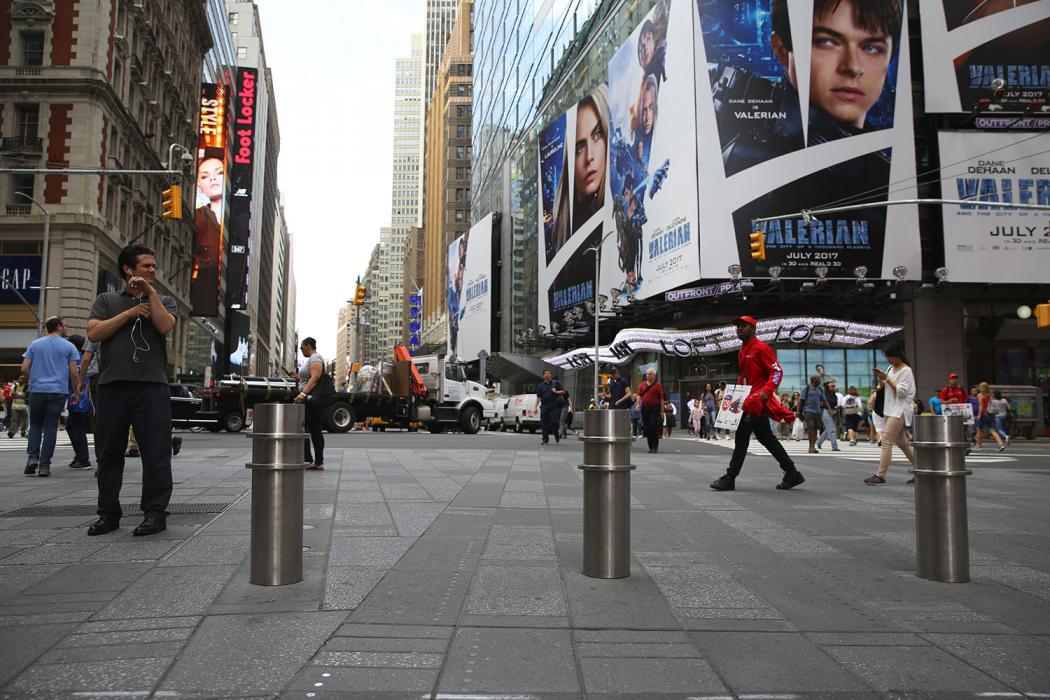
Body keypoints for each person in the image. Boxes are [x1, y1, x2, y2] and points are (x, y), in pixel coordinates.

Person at [86, 245, 177, 536]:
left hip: (152, 387)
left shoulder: (162, 300)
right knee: (109, 453)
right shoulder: (106, 300)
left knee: (156, 454)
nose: (152, 270)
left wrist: (150, 294)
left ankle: (154, 513)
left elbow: (165, 326)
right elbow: (94, 333)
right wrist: (129, 314)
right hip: (112, 387)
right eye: (146, 266)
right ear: (128, 269)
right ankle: (108, 513)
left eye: (153, 266)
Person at [711, 316, 804, 491]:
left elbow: (777, 373)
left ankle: (730, 478)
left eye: (743, 325)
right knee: (765, 438)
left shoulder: (761, 348)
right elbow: (744, 376)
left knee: (742, 438)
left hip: (756, 402)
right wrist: (736, 395)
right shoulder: (743, 350)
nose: (739, 328)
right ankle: (792, 472)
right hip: (748, 401)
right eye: (738, 326)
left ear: (753, 329)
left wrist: (763, 393)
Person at [21, 316, 80, 477]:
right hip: (58, 391)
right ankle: (45, 466)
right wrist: (76, 392)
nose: (66, 328)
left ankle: (32, 457)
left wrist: (33, 379)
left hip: (37, 389)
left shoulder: (35, 344)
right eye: (65, 325)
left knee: (35, 425)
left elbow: (24, 367)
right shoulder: (69, 347)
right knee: (50, 427)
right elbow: (74, 373)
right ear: (59, 327)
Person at [864, 341, 915, 485]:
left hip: (899, 410)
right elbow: (884, 387)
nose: (887, 359)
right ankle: (921, 469)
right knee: (903, 444)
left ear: (897, 355)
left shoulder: (906, 370)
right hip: (890, 409)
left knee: (886, 441)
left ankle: (880, 475)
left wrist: (886, 378)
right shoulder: (891, 368)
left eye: (889, 356)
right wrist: (881, 378)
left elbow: (901, 392)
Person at [293, 337, 331, 469]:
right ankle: (312, 460)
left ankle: (315, 460)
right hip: (309, 399)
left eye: (301, 347)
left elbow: (315, 378)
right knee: (311, 430)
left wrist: (302, 394)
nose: (301, 350)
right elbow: (310, 377)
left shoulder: (315, 358)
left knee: (311, 430)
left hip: (311, 400)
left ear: (308, 346)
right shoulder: (312, 359)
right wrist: (299, 378)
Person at [64, 335, 93, 470]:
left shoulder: (77, 360)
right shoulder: (84, 359)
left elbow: (75, 377)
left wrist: (76, 393)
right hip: (81, 396)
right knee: (71, 426)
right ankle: (79, 455)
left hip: (78, 397)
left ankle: (83, 458)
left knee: (77, 427)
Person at [800, 374, 831, 454]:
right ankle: (811, 447)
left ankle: (813, 446)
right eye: (819, 379)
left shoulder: (820, 389)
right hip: (808, 411)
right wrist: (799, 412)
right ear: (814, 380)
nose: (820, 380)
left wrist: (830, 409)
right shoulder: (806, 389)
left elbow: (824, 401)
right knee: (811, 428)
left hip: (818, 412)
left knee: (815, 429)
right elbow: (801, 401)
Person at [637, 368, 664, 453]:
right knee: (647, 427)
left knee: (653, 426)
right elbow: (639, 395)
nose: (647, 375)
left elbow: (661, 398)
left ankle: (654, 446)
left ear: (654, 375)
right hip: (645, 408)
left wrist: (662, 411)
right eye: (647, 374)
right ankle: (650, 446)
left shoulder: (657, 385)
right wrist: (638, 404)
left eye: (649, 374)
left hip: (654, 408)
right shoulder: (642, 384)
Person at [536, 370, 566, 445]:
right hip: (544, 407)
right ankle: (545, 439)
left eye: (549, 373)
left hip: (554, 407)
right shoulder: (541, 385)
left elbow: (563, 391)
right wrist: (535, 407)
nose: (548, 375)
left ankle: (556, 433)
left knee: (554, 423)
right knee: (544, 424)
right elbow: (539, 397)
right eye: (546, 374)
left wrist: (556, 392)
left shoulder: (555, 383)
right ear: (544, 376)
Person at [974, 382, 1006, 452]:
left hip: (983, 414)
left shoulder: (980, 395)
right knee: (993, 430)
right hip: (991, 414)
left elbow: (981, 406)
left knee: (979, 430)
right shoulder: (990, 395)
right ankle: (1001, 444)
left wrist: (979, 415)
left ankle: (978, 445)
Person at [816, 379, 842, 451]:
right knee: (832, 429)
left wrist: (836, 408)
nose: (834, 387)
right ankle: (834, 446)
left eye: (834, 386)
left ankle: (818, 442)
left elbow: (834, 404)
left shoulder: (834, 395)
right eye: (832, 386)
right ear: (828, 387)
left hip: (833, 412)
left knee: (828, 430)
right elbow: (823, 403)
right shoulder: (824, 394)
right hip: (825, 412)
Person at [7, 375, 28, 439]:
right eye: (20, 378)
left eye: (22, 378)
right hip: (15, 407)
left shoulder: (26, 387)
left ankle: (23, 431)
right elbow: (12, 396)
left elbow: (26, 396)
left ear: (25, 380)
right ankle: (12, 432)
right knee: (14, 419)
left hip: (24, 407)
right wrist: (21, 395)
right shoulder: (14, 386)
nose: (20, 379)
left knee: (24, 420)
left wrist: (17, 395)